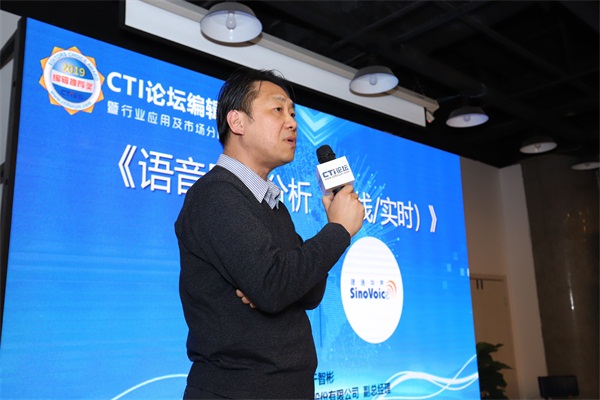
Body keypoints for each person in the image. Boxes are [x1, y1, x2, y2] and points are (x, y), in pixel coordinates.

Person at [174, 67, 364, 399]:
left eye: (293, 113)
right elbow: (275, 286)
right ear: (237, 122)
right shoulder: (216, 194)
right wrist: (337, 230)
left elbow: (308, 293)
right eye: (278, 109)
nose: (292, 122)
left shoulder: (271, 204)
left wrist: (274, 284)